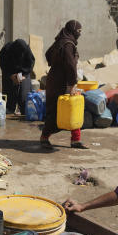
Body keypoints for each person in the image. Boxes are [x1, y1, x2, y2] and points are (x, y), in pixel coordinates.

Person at [41, 20, 87, 150]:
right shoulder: (67, 44)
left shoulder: (61, 41)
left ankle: (76, 140)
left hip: (55, 79)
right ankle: (44, 137)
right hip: (61, 82)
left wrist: (54, 65)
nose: (79, 34)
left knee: (73, 108)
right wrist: (72, 84)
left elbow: (48, 54)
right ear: (72, 30)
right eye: (78, 31)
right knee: (56, 111)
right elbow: (70, 65)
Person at [0, 38, 35, 116]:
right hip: (9, 71)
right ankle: (9, 108)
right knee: (8, 89)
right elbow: (3, 65)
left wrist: (23, 76)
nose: (21, 54)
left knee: (24, 91)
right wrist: (11, 76)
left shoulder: (26, 50)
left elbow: (30, 63)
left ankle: (24, 108)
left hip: (23, 72)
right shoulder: (6, 50)